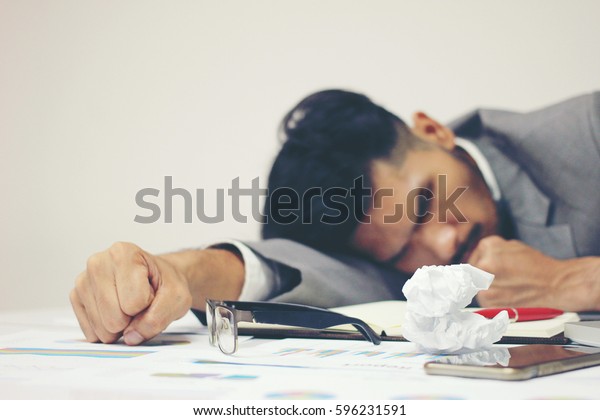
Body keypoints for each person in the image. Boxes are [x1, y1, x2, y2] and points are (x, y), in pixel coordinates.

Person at [70, 90, 600, 345]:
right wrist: (174, 273)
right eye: (401, 251)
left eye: (424, 204)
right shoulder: (393, 270)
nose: (440, 246)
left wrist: (573, 280)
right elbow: (291, 268)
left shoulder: (589, 132)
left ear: (433, 130)